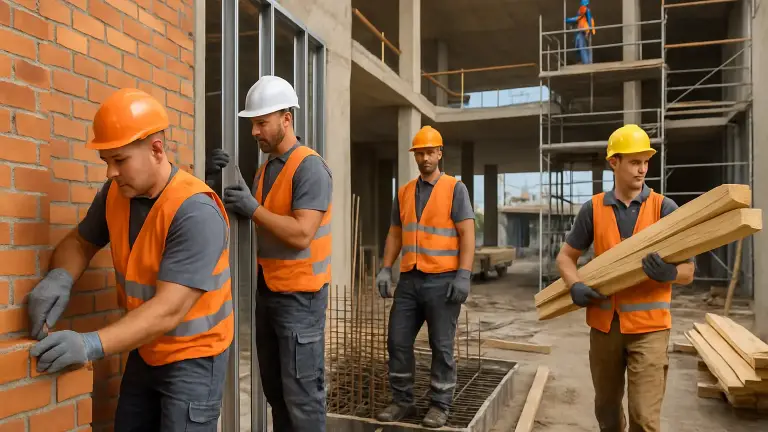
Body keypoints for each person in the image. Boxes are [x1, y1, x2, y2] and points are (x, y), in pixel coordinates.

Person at [27, 88, 234, 431]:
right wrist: (60, 277)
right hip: (144, 348)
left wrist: (90, 344)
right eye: (106, 161)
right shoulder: (116, 194)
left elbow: (169, 308)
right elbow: (80, 242)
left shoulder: (195, 210)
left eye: (119, 160)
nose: (110, 172)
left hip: (193, 358)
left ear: (156, 149)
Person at [555, 124, 695, 432]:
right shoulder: (593, 209)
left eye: (646, 161)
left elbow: (689, 271)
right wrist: (574, 284)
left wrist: (671, 273)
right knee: (606, 411)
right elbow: (566, 257)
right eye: (634, 161)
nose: (642, 168)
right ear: (614, 162)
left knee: (644, 418)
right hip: (605, 329)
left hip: (651, 329)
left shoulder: (664, 208)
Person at [218, 75, 332, 432]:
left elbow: (301, 234)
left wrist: (252, 208)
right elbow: (254, 215)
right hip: (269, 294)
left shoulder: (310, 168)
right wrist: (218, 180)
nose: (255, 131)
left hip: (302, 299)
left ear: (286, 119)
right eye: (253, 123)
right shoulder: (266, 169)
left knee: (303, 398)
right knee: (276, 393)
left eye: (261, 122)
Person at [375, 125, 475, 428]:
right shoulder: (404, 192)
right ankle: (402, 401)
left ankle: (441, 404)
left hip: (443, 281)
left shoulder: (455, 189)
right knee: (397, 340)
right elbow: (395, 233)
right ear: (415, 156)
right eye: (420, 152)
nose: (425, 157)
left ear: (439, 153)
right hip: (410, 280)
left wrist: (464, 275)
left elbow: (467, 233)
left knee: (441, 346)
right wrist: (385, 267)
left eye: (430, 151)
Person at [565, 0, 595, 65]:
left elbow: (577, 19)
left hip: (584, 31)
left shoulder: (585, 11)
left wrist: (567, 20)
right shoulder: (583, 12)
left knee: (583, 47)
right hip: (584, 31)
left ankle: (587, 62)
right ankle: (587, 62)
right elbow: (577, 20)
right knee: (585, 47)